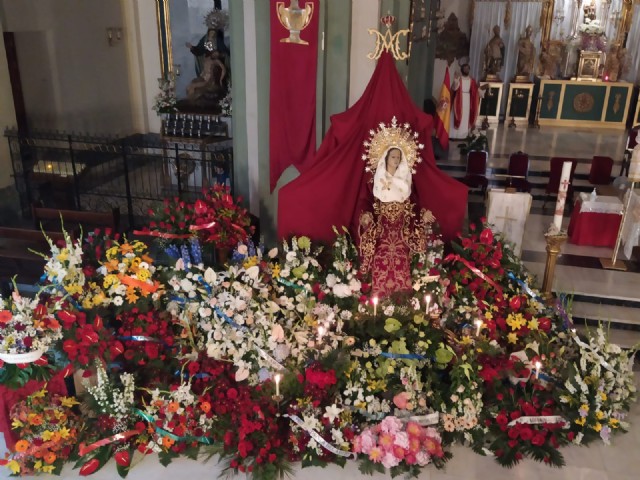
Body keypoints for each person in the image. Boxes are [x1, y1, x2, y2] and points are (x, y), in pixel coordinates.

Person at [359, 147, 434, 299]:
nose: (396, 160)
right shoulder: (375, 181)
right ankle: (377, 303)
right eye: (393, 156)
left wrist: (424, 213)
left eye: (399, 157)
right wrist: (366, 216)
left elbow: (414, 203)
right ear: (385, 158)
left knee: (402, 263)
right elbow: (367, 202)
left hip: (401, 233)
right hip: (381, 233)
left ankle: (402, 304)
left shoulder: (406, 180)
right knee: (379, 261)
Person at [451, 64, 485, 140]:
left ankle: (464, 135)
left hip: (468, 100)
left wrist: (481, 92)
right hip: (459, 99)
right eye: (465, 68)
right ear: (462, 70)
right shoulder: (459, 79)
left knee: (465, 116)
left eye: (467, 69)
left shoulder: (471, 80)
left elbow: (475, 90)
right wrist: (455, 81)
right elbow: (454, 88)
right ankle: (455, 135)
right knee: (457, 115)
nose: (466, 70)